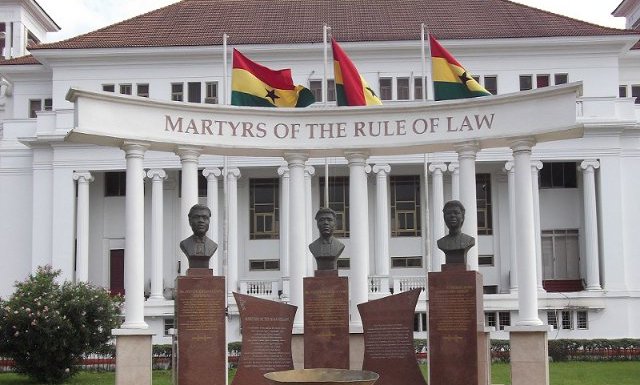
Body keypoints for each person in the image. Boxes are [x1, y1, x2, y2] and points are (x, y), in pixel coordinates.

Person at [437, 200, 475, 266]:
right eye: (448, 213)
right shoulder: (441, 242)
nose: (452, 216)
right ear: (444, 218)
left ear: (462, 217)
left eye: (456, 213)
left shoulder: (469, 240)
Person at [180, 203, 218, 269]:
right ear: (190, 221)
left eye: (205, 217)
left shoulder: (213, 245)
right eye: (196, 217)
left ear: (209, 221)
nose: (201, 221)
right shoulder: (184, 244)